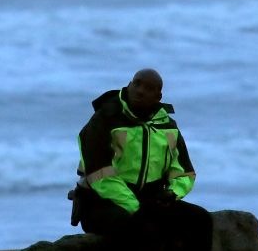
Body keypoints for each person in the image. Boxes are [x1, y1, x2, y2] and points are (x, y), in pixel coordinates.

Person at [72, 68, 213, 251]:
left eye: (148, 88)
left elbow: (184, 172)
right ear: (129, 85)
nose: (139, 90)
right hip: (101, 202)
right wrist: (137, 207)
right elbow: (100, 175)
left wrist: (172, 193)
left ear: (158, 96)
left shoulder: (167, 126)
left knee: (200, 219)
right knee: (143, 229)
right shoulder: (105, 119)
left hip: (149, 200)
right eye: (136, 83)